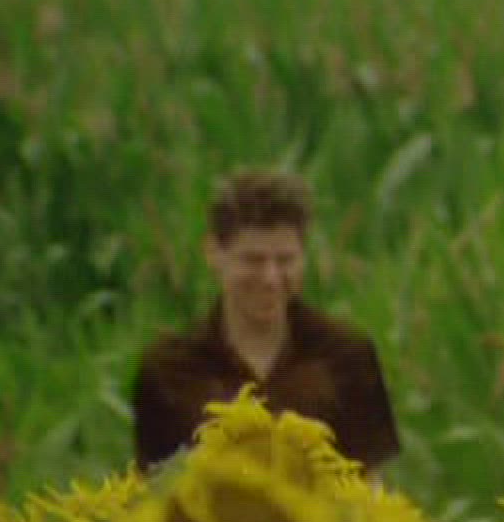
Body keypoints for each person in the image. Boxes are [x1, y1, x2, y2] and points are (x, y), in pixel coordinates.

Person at [132, 169, 401, 476]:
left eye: (285, 260)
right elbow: (155, 488)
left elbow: (369, 485)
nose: (271, 278)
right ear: (214, 253)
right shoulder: (168, 369)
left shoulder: (347, 355)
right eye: (253, 260)